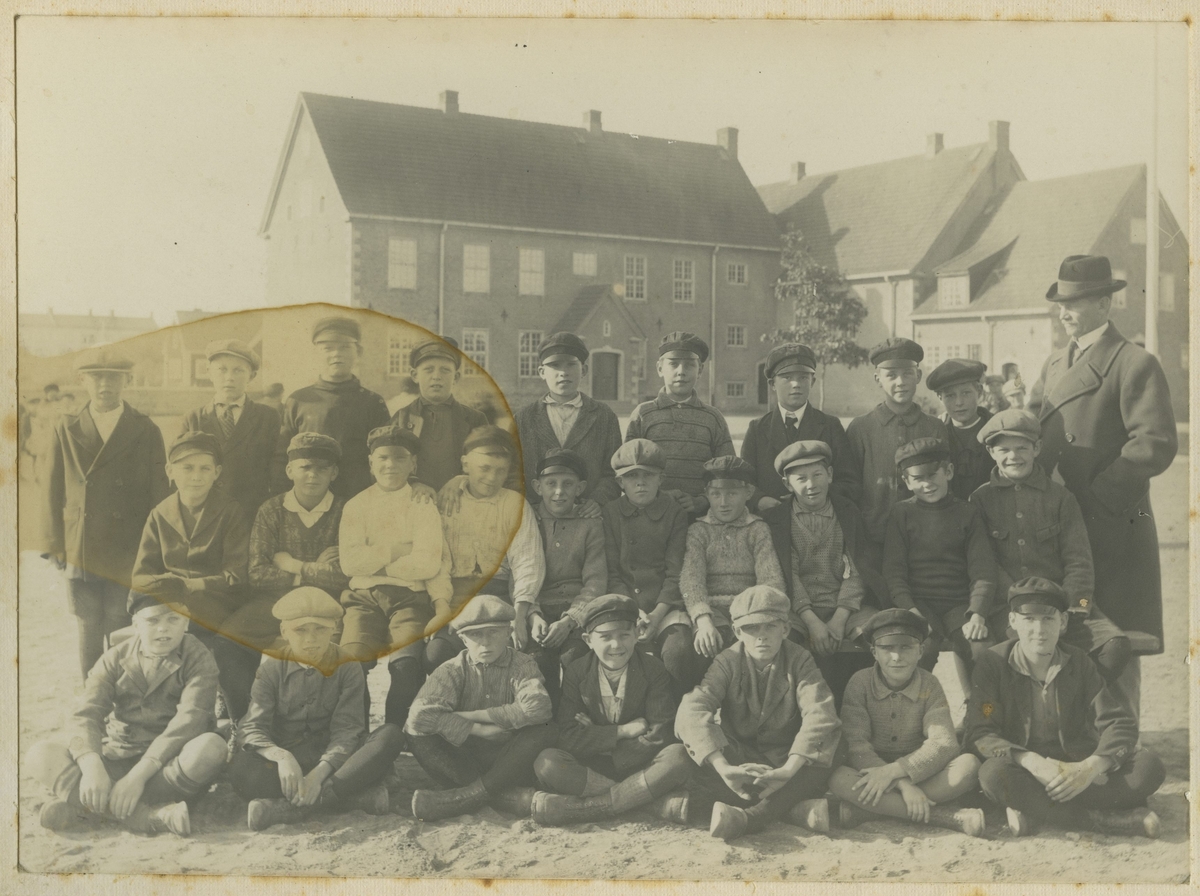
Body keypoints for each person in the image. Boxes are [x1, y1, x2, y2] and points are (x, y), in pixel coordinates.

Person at [1028, 255, 1178, 722]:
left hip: (1112, 526)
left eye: (1074, 303)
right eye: (1060, 304)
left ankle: (1120, 744)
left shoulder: (1133, 362)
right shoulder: (1055, 363)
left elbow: (1154, 443)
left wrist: (1093, 498)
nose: (1064, 313)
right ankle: (1080, 739)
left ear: (1105, 304)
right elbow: (1032, 429)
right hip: (1061, 524)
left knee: (1117, 639)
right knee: (1070, 632)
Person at [965, 577, 1165, 838]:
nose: (1039, 629)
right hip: (1025, 769)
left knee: (1149, 767)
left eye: (1048, 619)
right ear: (1012, 621)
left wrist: (1089, 768)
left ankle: (1035, 810)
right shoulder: (993, 663)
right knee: (992, 775)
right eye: (1029, 619)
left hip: (1074, 766)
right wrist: (1031, 761)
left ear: (1063, 622)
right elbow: (981, 732)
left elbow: (1118, 723)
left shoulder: (1079, 662)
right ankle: (1101, 819)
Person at [26, 593, 227, 836]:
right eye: (152, 620)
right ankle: (148, 817)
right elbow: (84, 714)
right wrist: (91, 765)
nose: (163, 628)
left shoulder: (199, 657)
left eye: (173, 619)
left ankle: (86, 808)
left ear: (186, 622)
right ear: (136, 625)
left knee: (212, 747)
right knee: (39, 755)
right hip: (118, 756)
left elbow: (189, 721)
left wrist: (137, 778)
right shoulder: (115, 657)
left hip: (167, 764)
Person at [971, 409, 1131, 682]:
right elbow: (985, 564)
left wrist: (1076, 606)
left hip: (1065, 605)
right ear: (991, 452)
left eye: (1022, 448)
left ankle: (1073, 702)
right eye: (1004, 449)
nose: (1013, 456)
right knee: (1021, 657)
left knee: (1114, 647)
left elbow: (1079, 560)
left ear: (1037, 448)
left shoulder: (1061, 497)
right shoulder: (980, 500)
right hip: (1008, 608)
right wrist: (1019, 604)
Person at [675, 585, 844, 841]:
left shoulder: (800, 659)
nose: (761, 637)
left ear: (785, 629)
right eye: (751, 628)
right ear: (737, 632)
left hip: (786, 760)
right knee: (685, 752)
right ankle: (792, 808)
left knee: (836, 743)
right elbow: (693, 707)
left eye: (770, 626)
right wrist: (723, 766)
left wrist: (789, 769)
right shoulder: (727, 660)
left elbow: (820, 713)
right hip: (741, 760)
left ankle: (752, 817)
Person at [228, 587, 404, 830]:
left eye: (320, 629)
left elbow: (347, 730)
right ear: (284, 631)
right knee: (242, 770)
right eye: (300, 630)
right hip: (290, 762)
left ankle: (294, 807)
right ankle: (350, 798)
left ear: (334, 629)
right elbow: (252, 727)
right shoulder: (271, 669)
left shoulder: (348, 666)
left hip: (334, 761)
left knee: (390, 736)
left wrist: (319, 774)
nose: (310, 639)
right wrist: (282, 757)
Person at [42, 348, 169, 679]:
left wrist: (157, 547)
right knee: (88, 624)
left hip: (128, 544)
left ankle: (120, 693)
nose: (105, 385)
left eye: (113, 378)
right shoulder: (66, 427)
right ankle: (92, 694)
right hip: (81, 544)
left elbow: (159, 493)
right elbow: (52, 489)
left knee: (120, 621)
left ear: (126, 380)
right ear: (82, 380)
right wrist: (54, 544)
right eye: (97, 377)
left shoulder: (145, 428)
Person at [530, 594, 692, 825]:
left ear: (637, 634)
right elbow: (567, 736)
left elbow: (659, 732)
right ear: (588, 640)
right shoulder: (577, 671)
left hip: (639, 762)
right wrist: (621, 732)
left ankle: (585, 808)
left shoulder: (653, 669)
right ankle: (647, 803)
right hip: (594, 766)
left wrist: (598, 736)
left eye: (624, 635)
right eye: (605, 637)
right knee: (547, 762)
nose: (616, 645)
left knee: (678, 756)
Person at [129, 431, 254, 718]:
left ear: (217, 472)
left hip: (218, 604)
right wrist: (169, 589)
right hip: (171, 604)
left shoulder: (230, 511)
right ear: (170, 471)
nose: (196, 477)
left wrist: (193, 584)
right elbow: (141, 576)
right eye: (187, 468)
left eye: (204, 469)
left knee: (227, 648)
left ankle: (237, 719)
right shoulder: (160, 514)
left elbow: (237, 575)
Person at [828, 609, 985, 836]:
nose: (896, 657)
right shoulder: (859, 682)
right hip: (873, 771)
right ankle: (943, 817)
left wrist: (897, 772)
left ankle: (873, 811)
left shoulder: (930, 684)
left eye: (906, 647)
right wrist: (902, 784)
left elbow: (944, 743)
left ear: (920, 651)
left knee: (968, 766)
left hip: (921, 771)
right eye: (887, 648)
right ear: (874, 652)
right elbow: (856, 745)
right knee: (838, 778)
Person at [338, 424, 453, 728]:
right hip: (363, 598)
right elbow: (350, 563)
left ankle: (394, 733)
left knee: (406, 664)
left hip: (409, 599)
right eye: (383, 458)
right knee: (351, 662)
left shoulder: (422, 504)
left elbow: (427, 563)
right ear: (371, 462)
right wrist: (397, 550)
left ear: (413, 464)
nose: (391, 465)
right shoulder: (356, 505)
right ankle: (357, 734)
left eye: (400, 458)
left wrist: (378, 563)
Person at [406, 595, 557, 821]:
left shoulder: (522, 664)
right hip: (464, 757)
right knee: (414, 731)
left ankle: (467, 796)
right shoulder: (452, 669)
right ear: (463, 640)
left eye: (493, 632)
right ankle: (500, 797)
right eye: (475, 635)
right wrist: (479, 729)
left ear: (508, 632)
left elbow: (538, 708)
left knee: (545, 730)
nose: (485, 642)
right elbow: (420, 715)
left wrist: (469, 716)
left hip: (508, 760)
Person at [759, 441, 882, 705]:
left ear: (830, 475)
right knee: (780, 642)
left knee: (881, 637)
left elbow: (857, 570)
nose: (811, 485)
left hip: (847, 608)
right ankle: (792, 713)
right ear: (787, 484)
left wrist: (839, 618)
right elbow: (788, 576)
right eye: (801, 478)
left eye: (817, 475)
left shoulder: (848, 513)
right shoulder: (778, 520)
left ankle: (865, 710)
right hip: (798, 610)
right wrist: (812, 622)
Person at [882, 438, 999, 700]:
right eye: (917, 478)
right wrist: (910, 610)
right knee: (916, 650)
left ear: (949, 471)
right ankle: (911, 714)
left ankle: (980, 715)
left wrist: (977, 613)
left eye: (932, 475)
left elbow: (982, 570)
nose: (926, 484)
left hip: (960, 605)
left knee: (982, 650)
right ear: (907, 481)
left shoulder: (967, 513)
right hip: (920, 605)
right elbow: (894, 572)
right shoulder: (901, 513)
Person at [426, 425, 544, 670]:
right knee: (436, 655)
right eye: (484, 468)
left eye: (501, 471)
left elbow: (527, 562)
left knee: (520, 658)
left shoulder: (514, 504)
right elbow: (438, 561)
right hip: (455, 598)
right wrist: (442, 608)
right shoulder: (446, 501)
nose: (492, 478)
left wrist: (519, 616)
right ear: (465, 464)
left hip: (501, 599)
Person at [678, 456, 786, 690]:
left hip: (750, 609)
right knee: (706, 642)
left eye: (732, 494)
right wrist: (703, 619)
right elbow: (691, 579)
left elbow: (771, 580)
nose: (723, 502)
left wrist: (757, 616)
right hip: (712, 610)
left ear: (748, 493)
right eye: (716, 494)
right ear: (706, 494)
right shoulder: (698, 530)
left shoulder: (758, 529)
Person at [239, 432, 350, 656]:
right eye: (305, 467)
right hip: (277, 598)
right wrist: (315, 569)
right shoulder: (271, 510)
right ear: (289, 470)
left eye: (322, 468)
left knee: (336, 652)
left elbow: (345, 575)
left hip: (329, 601)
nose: (313, 475)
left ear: (334, 473)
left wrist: (293, 565)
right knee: (229, 640)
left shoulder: (347, 510)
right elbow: (257, 573)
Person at [844, 338, 948, 578]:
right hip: (874, 540)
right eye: (891, 375)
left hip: (925, 539)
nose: (900, 382)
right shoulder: (861, 428)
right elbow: (850, 487)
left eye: (907, 373)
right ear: (877, 379)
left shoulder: (934, 427)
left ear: (918, 376)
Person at [600, 440, 691, 692]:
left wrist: (657, 614)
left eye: (648, 475)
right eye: (632, 477)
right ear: (620, 482)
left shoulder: (674, 513)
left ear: (661, 479)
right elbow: (611, 572)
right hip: (623, 603)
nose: (640, 483)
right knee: (615, 653)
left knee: (679, 651)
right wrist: (633, 609)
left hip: (665, 606)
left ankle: (674, 711)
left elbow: (676, 572)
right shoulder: (610, 513)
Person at [272, 316, 391, 500]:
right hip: (309, 502)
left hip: (357, 500)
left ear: (358, 352)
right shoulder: (299, 401)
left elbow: (385, 457)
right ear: (315, 353)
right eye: (328, 348)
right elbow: (282, 457)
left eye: (344, 347)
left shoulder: (373, 403)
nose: (336, 354)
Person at [528, 448, 608, 705]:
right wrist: (533, 615)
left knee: (575, 657)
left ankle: (573, 718)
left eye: (568, 484)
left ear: (580, 488)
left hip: (577, 613)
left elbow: (595, 581)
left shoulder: (591, 523)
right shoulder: (528, 520)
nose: (559, 492)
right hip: (538, 610)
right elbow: (521, 574)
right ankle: (546, 721)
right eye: (551, 483)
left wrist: (571, 620)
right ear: (537, 487)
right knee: (537, 662)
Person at [625, 332, 735, 517]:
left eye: (690, 364)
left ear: (700, 370)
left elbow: (727, 471)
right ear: (660, 368)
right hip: (650, 514)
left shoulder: (713, 418)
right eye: (673, 363)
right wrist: (657, 496)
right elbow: (628, 470)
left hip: (700, 517)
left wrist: (703, 500)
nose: (681, 371)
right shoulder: (643, 414)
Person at [514, 332, 623, 508]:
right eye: (555, 365)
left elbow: (613, 472)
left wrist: (596, 502)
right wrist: (531, 508)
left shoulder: (603, 416)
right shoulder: (523, 419)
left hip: (589, 515)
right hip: (537, 514)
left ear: (584, 370)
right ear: (542, 372)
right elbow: (513, 474)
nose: (563, 373)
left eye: (571, 365)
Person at [740, 343, 853, 511]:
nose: (796, 384)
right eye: (787, 377)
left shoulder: (830, 426)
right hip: (770, 519)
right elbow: (744, 480)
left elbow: (849, 482)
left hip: (818, 517)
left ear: (812, 381)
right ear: (772, 384)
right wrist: (759, 500)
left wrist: (816, 498)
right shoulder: (757, 429)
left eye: (803, 377)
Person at [179, 339, 281, 521]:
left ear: (252, 376)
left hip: (251, 515)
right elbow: (181, 473)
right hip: (204, 516)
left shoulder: (268, 418)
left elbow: (278, 473)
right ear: (209, 372)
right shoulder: (193, 419)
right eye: (222, 369)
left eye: (238, 370)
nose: (229, 377)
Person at [390, 339, 489, 493]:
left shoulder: (475, 419)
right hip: (414, 500)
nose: (436, 376)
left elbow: (487, 463)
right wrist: (413, 482)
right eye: (428, 369)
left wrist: (463, 479)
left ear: (456, 377)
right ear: (415, 375)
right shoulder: (402, 418)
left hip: (461, 499)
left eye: (445, 370)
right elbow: (389, 464)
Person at [926, 358, 995, 501]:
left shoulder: (996, 430)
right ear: (940, 397)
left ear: (979, 391)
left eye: (966, 393)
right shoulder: (935, 435)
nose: (959, 402)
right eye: (950, 396)